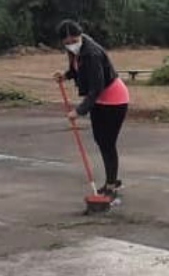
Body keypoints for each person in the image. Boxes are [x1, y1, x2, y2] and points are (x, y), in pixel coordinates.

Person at [54, 20, 129, 196]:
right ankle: (112, 180)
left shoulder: (92, 53)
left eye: (74, 40)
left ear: (80, 35)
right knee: (101, 140)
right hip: (99, 101)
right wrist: (65, 75)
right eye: (67, 42)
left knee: (107, 142)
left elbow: (97, 87)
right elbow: (78, 70)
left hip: (114, 99)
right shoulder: (76, 51)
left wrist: (79, 110)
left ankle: (111, 184)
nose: (71, 45)